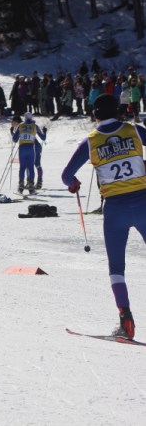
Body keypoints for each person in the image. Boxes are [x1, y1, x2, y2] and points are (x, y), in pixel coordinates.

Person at [62, 94, 146, 339]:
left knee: (117, 268)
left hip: (115, 209)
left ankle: (126, 320)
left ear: (95, 115)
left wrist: (74, 184)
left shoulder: (91, 140)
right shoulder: (134, 131)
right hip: (143, 202)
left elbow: (67, 175)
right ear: (118, 112)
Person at [11, 112, 47, 194]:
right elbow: (43, 138)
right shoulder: (35, 126)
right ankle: (31, 187)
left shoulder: (20, 125)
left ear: (24, 117)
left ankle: (20, 187)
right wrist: (45, 131)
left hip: (22, 148)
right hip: (31, 148)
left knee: (22, 167)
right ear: (31, 118)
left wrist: (12, 133)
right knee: (31, 167)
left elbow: (14, 139)